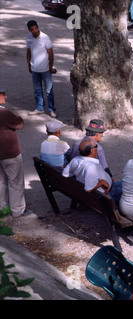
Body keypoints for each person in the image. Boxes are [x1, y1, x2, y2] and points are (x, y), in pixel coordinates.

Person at [0, 86, 31, 217]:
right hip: (9, 153)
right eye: (3, 94)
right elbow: (19, 124)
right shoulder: (4, 113)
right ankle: (17, 210)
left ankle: (3, 208)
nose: (6, 97)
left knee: (1, 182)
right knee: (15, 182)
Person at [63, 139, 122, 205]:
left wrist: (80, 174)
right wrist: (101, 182)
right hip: (110, 194)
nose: (97, 147)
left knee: (125, 182)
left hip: (109, 186)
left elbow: (65, 174)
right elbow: (88, 189)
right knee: (132, 187)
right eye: (96, 146)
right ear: (92, 151)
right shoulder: (91, 167)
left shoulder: (75, 160)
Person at [26, 20, 57, 118]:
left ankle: (52, 110)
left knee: (49, 91)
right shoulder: (28, 38)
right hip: (35, 69)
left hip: (45, 69)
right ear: (29, 30)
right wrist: (29, 66)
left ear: (38, 27)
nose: (34, 31)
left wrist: (50, 67)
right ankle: (39, 108)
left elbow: (50, 53)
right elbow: (28, 53)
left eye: (35, 28)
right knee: (37, 90)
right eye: (32, 30)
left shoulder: (45, 37)